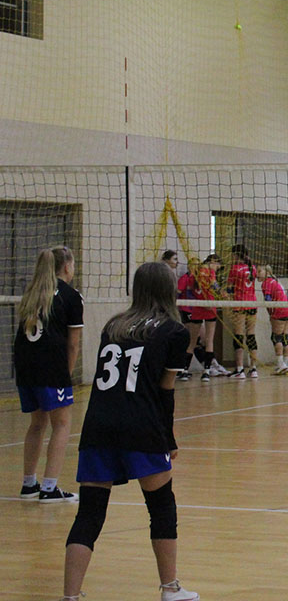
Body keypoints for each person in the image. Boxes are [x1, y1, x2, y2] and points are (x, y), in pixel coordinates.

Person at [60, 260, 197, 601]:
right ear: (169, 290)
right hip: (142, 427)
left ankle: (70, 596)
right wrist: (169, 439)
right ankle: (170, 588)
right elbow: (166, 391)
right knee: (161, 506)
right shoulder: (175, 331)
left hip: (98, 425)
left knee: (89, 514)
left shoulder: (114, 326)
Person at [14, 246, 83, 503]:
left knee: (37, 423)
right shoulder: (71, 296)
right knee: (62, 424)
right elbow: (73, 345)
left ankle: (29, 484)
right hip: (51, 369)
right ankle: (49, 487)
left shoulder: (32, 292)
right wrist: (66, 376)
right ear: (66, 266)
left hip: (25, 368)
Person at [189, 254, 228, 381]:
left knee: (192, 342)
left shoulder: (195, 272)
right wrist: (222, 293)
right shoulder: (209, 272)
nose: (216, 269)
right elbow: (214, 284)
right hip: (209, 306)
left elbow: (191, 288)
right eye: (217, 266)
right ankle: (206, 372)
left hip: (197, 307)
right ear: (213, 261)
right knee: (209, 341)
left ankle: (184, 371)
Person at [225, 244, 259, 379]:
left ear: (235, 255)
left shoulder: (234, 269)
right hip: (252, 304)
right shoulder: (253, 268)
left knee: (238, 336)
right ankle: (253, 368)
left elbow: (229, 288)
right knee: (251, 335)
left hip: (239, 304)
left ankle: (239, 369)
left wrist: (224, 294)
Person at [260, 265, 288, 375]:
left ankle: (281, 364)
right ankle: (287, 364)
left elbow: (268, 299)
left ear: (267, 272)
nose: (257, 274)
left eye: (259, 271)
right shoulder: (276, 281)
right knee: (285, 337)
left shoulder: (266, 283)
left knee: (276, 338)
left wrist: (272, 315)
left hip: (279, 311)